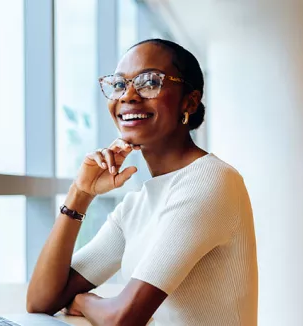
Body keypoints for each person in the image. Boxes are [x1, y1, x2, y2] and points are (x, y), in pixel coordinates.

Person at [25, 39, 258, 325]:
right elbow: (41, 300)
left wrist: (85, 300)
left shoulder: (210, 181)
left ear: (190, 101)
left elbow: (124, 318)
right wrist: (80, 193)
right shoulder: (137, 204)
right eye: (120, 85)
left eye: (149, 82)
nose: (128, 96)